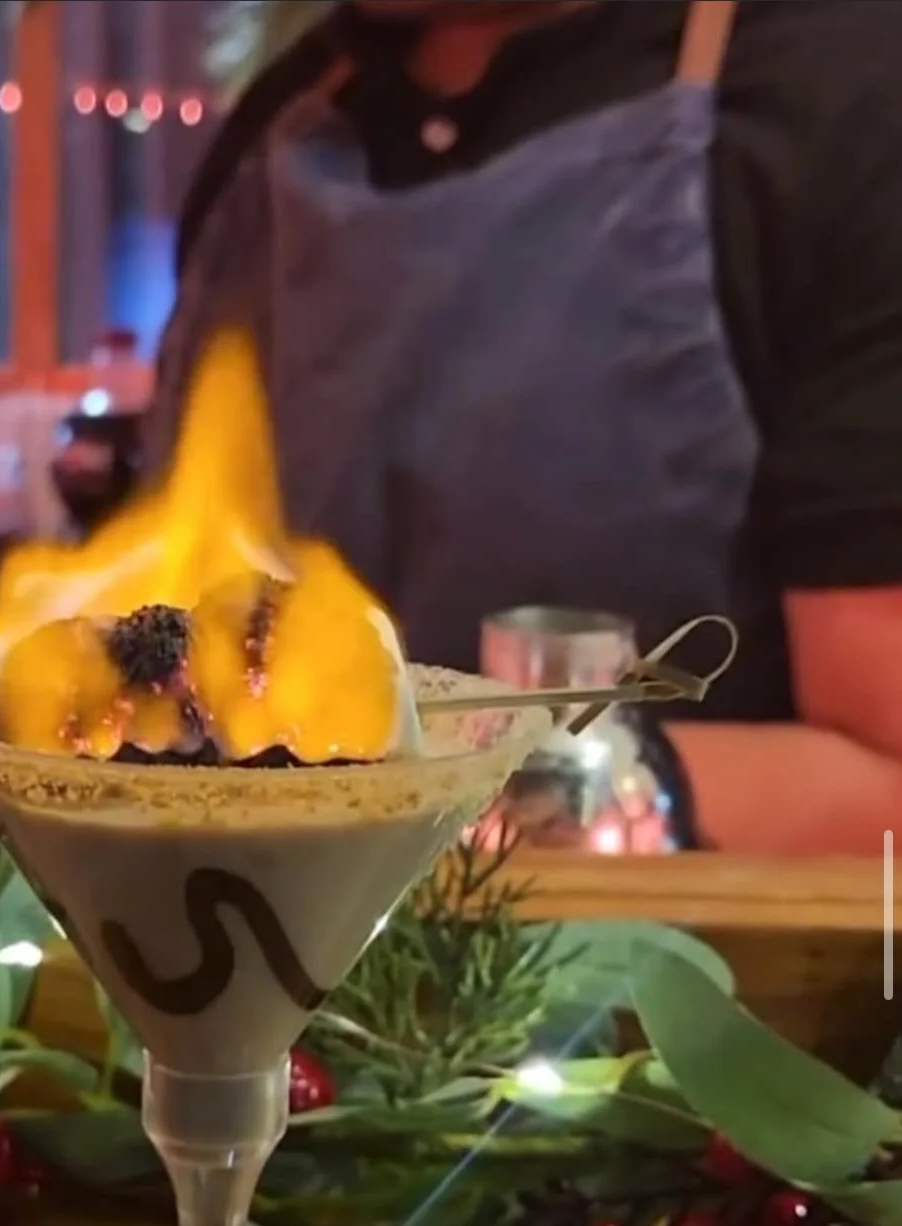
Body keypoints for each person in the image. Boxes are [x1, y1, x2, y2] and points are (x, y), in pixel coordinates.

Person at [145, 0, 902, 856]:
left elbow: (887, 780)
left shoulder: (845, 98)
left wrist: (475, 798)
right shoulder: (286, 124)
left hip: (670, 979)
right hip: (242, 968)